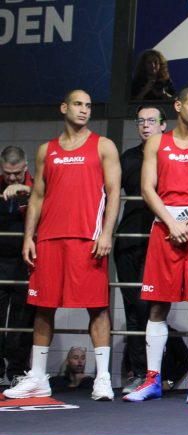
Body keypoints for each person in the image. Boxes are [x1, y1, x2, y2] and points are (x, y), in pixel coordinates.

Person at [3, 89, 121, 401]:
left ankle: (103, 378)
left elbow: (114, 193)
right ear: (64, 107)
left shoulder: (104, 146)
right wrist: (30, 236)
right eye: (79, 104)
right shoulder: (47, 150)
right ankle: (39, 377)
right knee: (43, 307)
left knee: (97, 308)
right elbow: (38, 195)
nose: (84, 110)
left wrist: (107, 233)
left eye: (89, 106)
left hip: (87, 239)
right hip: (50, 239)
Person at [122, 87, 188, 404]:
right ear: (178, 106)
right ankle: (152, 380)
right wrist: (171, 222)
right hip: (164, 229)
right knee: (157, 304)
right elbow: (147, 188)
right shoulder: (157, 142)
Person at [114, 106, 167, 394]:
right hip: (128, 239)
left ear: (163, 124)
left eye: (151, 121)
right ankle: (138, 373)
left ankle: (157, 371)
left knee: (152, 306)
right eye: (141, 122)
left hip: (160, 239)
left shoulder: (171, 154)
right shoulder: (129, 158)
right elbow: (104, 190)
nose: (146, 126)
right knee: (132, 307)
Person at [0, 146, 34, 384]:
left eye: (17, 174)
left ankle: (17, 372)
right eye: (7, 173)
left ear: (26, 167)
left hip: (26, 261)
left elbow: (53, 199)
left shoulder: (35, 185)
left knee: (22, 320)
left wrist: (27, 190)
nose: (12, 178)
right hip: (0, 260)